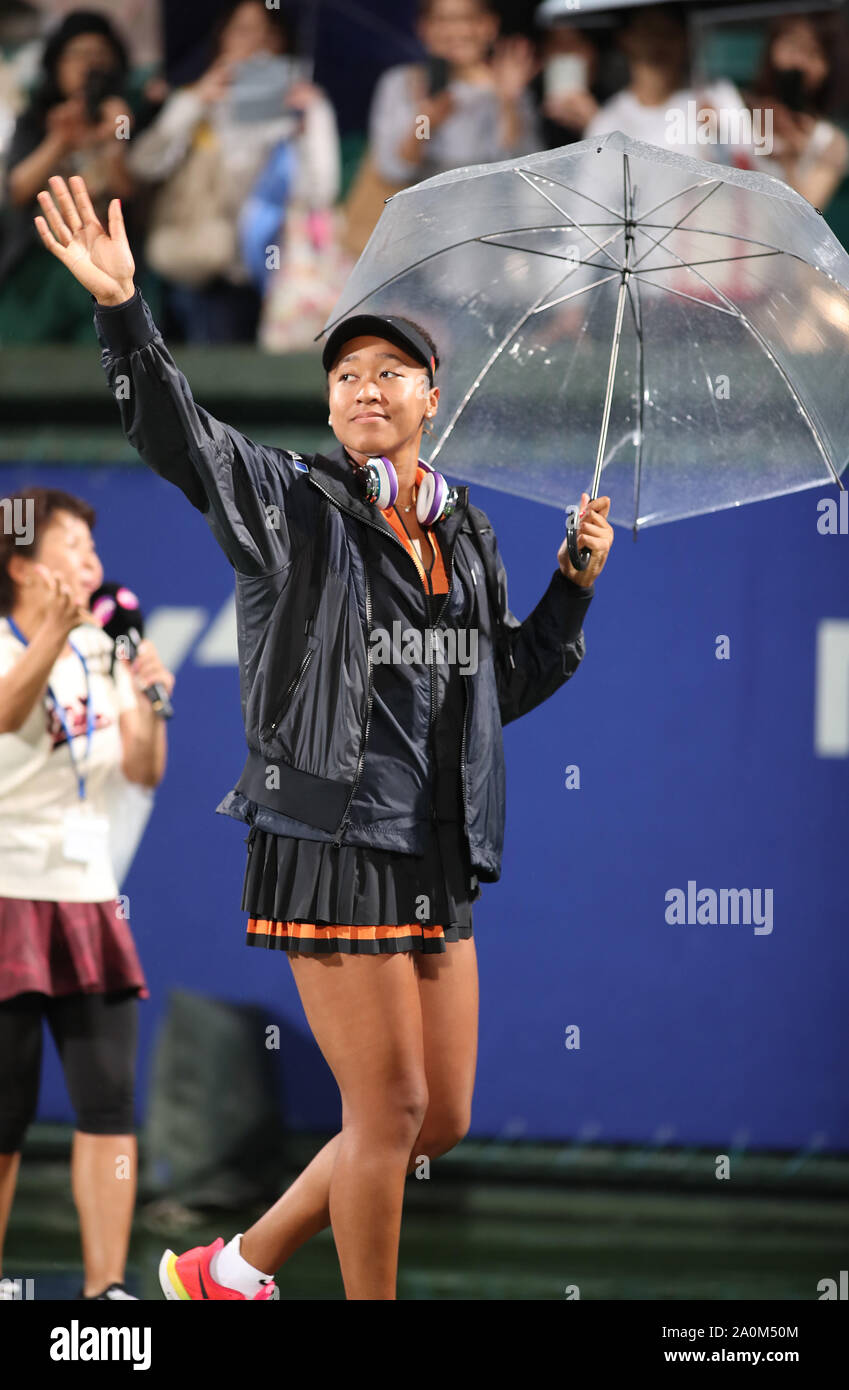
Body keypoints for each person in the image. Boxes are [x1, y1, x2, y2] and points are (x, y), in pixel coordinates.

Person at [33, 172, 613, 1301]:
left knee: (433, 1117)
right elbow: (178, 434)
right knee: (386, 1111)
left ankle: (235, 1266)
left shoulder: (471, 534)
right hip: (330, 838)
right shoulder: (289, 503)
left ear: (430, 394)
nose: (362, 388)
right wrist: (123, 315)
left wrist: (572, 591)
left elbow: (497, 685)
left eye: (387, 371)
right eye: (345, 374)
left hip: (436, 848)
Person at [0, 488, 174, 1300]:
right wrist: (58, 637)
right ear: (20, 563)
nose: (93, 564)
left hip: (87, 896)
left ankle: (106, 1289)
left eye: (94, 552)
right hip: (8, 894)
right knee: (3, 1115)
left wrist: (147, 700)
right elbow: (5, 713)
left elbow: (140, 773)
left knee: (108, 1101)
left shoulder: (101, 652)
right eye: (73, 546)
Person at [126, 0, 339, 345]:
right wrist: (195, 101)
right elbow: (145, 164)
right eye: (242, 30)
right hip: (205, 267)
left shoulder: (303, 107)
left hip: (280, 273)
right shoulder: (198, 101)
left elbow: (321, 194)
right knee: (206, 382)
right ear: (221, 38)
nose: (254, 42)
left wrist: (307, 124)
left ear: (283, 43)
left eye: (267, 32)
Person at [0, 9, 135, 343]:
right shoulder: (37, 119)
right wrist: (58, 141)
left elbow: (129, 194)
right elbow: (17, 190)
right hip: (38, 264)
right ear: (57, 64)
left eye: (99, 55)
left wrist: (116, 135)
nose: (89, 65)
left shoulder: (127, 115)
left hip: (104, 266)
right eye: (78, 55)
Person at [744, 12, 849, 213]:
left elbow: (807, 216)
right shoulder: (730, 109)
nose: (798, 63)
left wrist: (790, 161)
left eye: (813, 53)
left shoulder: (832, 143)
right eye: (792, 46)